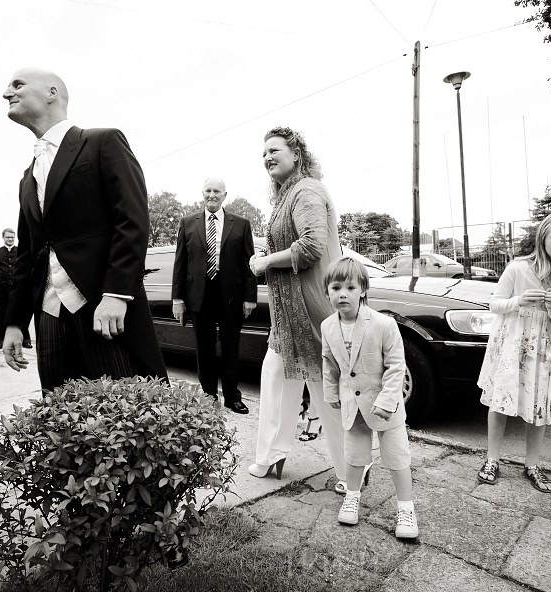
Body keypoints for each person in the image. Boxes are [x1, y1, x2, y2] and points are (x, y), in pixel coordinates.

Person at [0, 68, 167, 388]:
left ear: (52, 93)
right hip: (49, 317)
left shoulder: (102, 142)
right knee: (62, 420)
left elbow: (131, 222)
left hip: (103, 309)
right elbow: (27, 254)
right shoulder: (27, 176)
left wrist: (117, 294)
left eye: (17, 85)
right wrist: (15, 323)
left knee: (123, 416)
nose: (7, 92)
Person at [246, 126, 351, 489]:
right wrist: (269, 258)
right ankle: (271, 455)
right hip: (286, 318)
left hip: (314, 313)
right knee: (276, 377)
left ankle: (352, 469)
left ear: (297, 154)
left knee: (326, 394)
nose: (267, 157)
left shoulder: (306, 190)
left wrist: (265, 262)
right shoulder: (285, 196)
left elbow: (311, 247)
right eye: (263, 154)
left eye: (274, 150)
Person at [477, 211, 551, 493]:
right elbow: (495, 304)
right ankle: (492, 459)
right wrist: (519, 300)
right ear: (543, 239)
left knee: (539, 407)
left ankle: (532, 465)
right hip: (513, 345)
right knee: (500, 403)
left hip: (547, 351)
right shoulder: (518, 268)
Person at [322, 257, 418, 539]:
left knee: (397, 458)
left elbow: (396, 366)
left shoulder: (383, 324)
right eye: (335, 287)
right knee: (353, 456)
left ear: (363, 289)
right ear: (327, 290)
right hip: (353, 406)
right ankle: (352, 496)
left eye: (350, 287)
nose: (343, 294)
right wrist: (331, 393)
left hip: (384, 407)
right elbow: (329, 363)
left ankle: (406, 509)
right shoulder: (328, 326)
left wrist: (388, 401)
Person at [171, 178, 257, 414]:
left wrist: (250, 298)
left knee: (231, 347)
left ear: (224, 195)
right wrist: (177, 299)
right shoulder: (188, 223)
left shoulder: (241, 224)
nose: (212, 194)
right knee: (204, 348)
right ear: (202, 193)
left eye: (216, 191)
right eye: (208, 190)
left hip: (230, 295)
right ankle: (208, 397)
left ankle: (232, 397)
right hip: (199, 295)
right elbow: (180, 263)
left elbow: (248, 263)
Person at [0, 228, 31, 349]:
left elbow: (27, 268)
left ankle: (26, 339)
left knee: (22, 312)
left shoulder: (21, 251)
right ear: (3, 238)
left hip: (19, 288)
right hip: (2, 289)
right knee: (2, 315)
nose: (10, 239)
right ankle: (1, 340)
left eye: (12, 237)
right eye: (8, 237)